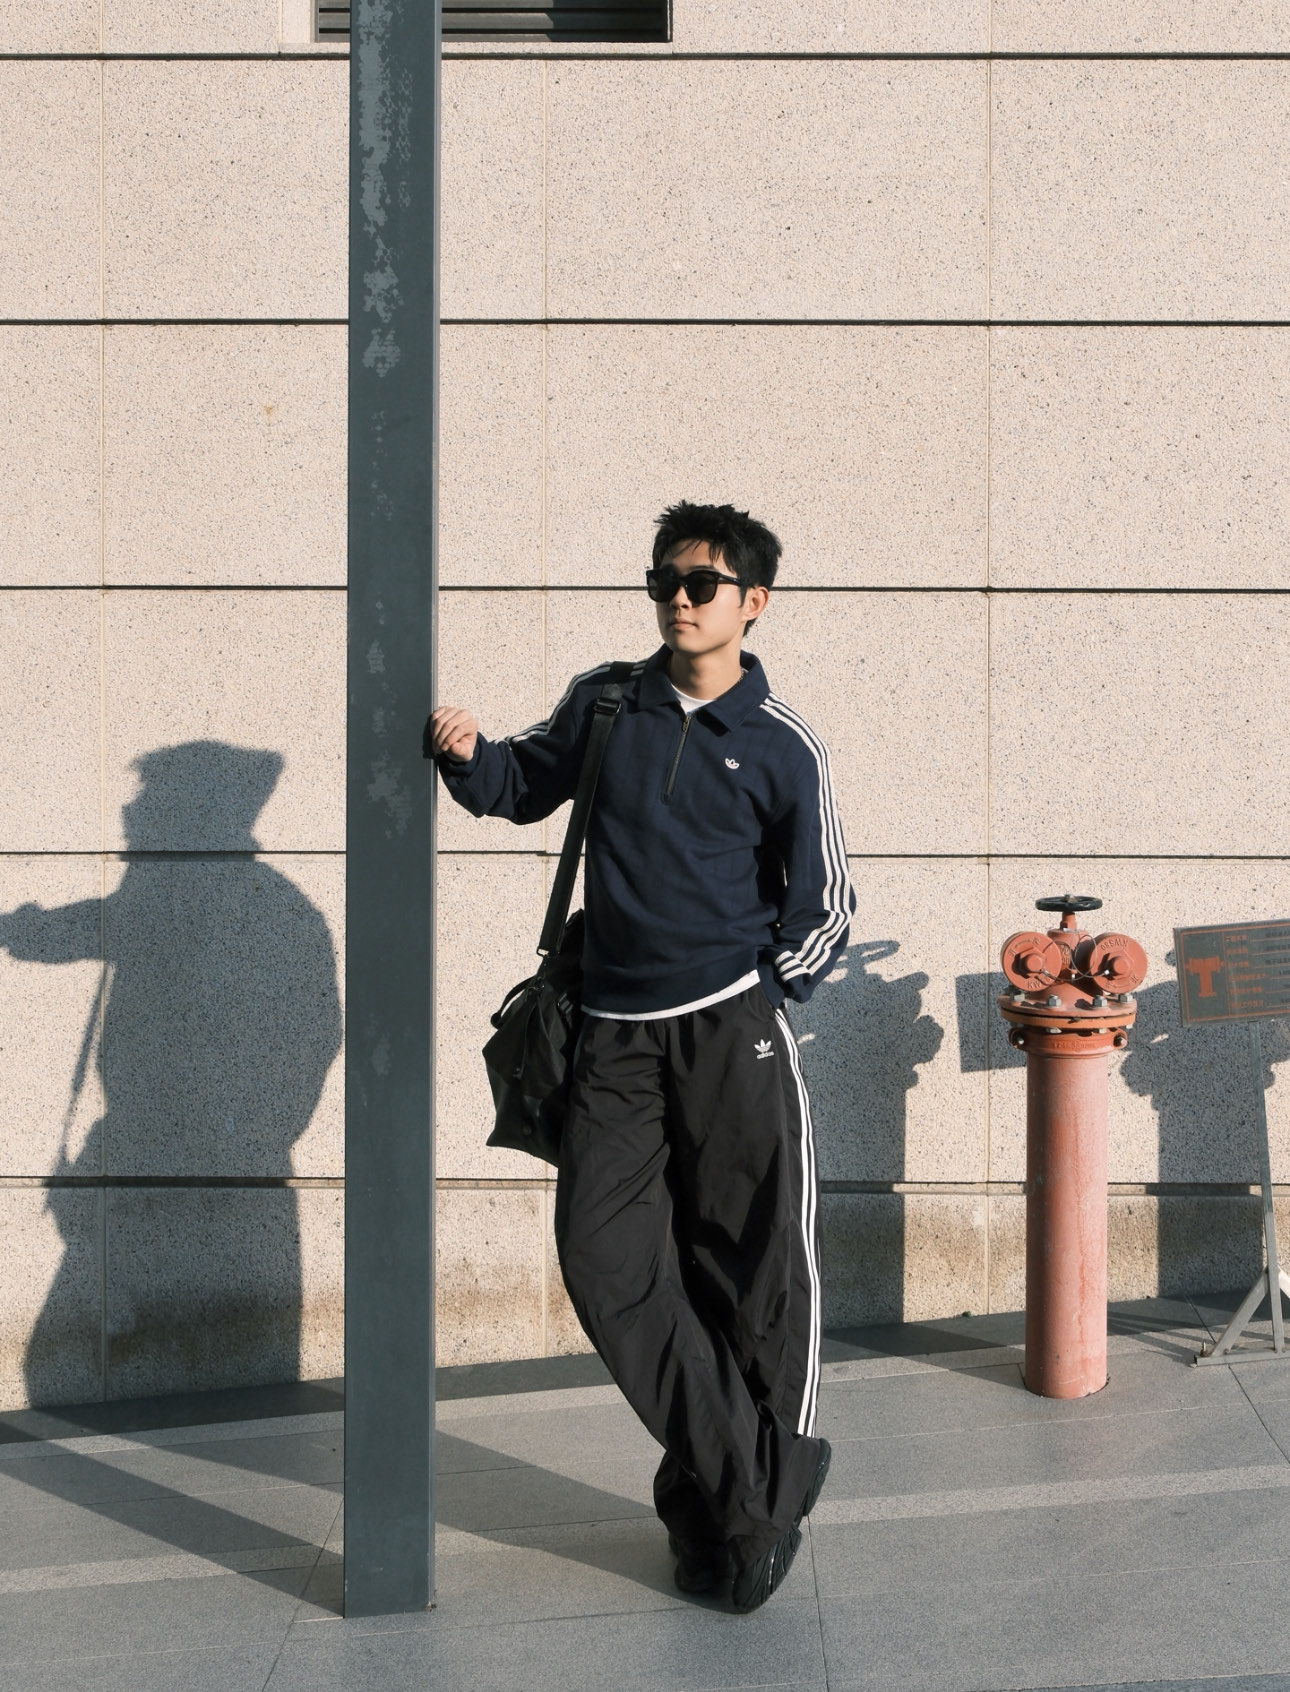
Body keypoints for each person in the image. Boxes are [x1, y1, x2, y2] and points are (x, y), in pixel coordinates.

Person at [426, 502, 854, 1610]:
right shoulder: (608, 702)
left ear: (753, 603)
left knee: (753, 1275)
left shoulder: (782, 744)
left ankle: (729, 1508)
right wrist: (468, 757)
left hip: (728, 1035)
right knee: (605, 1259)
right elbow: (521, 783)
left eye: (701, 584)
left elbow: (825, 910)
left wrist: (761, 995)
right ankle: (752, 1492)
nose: (677, 599)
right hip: (612, 1035)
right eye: (663, 580)